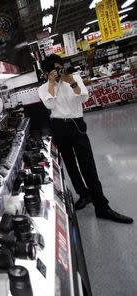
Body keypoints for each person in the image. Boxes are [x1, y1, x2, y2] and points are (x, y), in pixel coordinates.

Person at [38, 54, 133, 224]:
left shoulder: (74, 78)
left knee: (88, 165)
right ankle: (83, 194)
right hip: (59, 127)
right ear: (47, 73)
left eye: (60, 68)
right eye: (54, 70)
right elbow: (50, 105)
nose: (59, 72)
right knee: (70, 165)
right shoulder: (43, 88)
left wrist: (71, 82)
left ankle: (102, 207)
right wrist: (52, 83)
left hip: (77, 125)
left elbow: (84, 97)